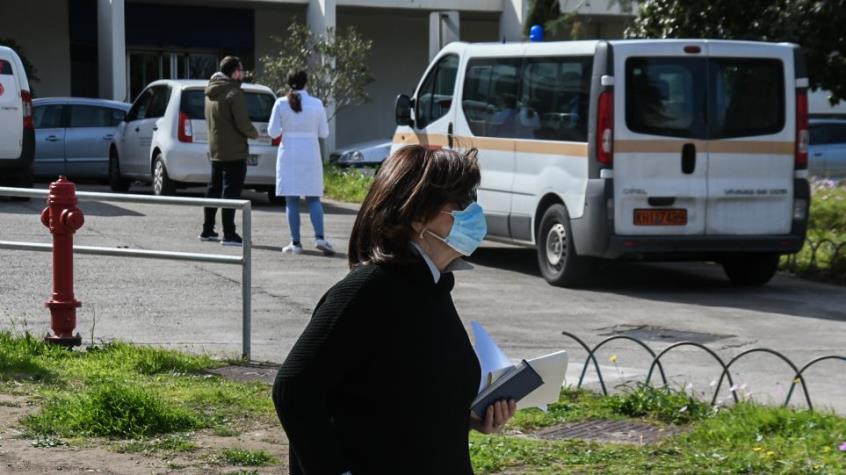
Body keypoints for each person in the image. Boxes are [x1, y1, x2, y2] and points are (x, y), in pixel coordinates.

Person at [272, 145, 517, 475]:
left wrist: (469, 417)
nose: (473, 211)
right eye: (461, 202)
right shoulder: (369, 289)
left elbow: (401, 393)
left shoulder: (433, 288)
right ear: (416, 214)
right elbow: (294, 388)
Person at [267, 70, 334, 256]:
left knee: (291, 199)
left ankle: (295, 243)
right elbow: (324, 133)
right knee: (313, 198)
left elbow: (272, 132)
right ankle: (320, 237)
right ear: (306, 83)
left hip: (289, 154)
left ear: (288, 83)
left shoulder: (280, 103)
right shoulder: (316, 104)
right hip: (310, 154)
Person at [200, 56, 258, 246]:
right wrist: (254, 133)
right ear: (234, 72)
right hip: (234, 151)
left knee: (214, 188)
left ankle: (207, 229)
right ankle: (229, 234)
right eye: (240, 70)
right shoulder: (234, 93)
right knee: (231, 192)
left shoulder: (210, 92)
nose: (242, 73)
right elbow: (242, 123)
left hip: (216, 149)